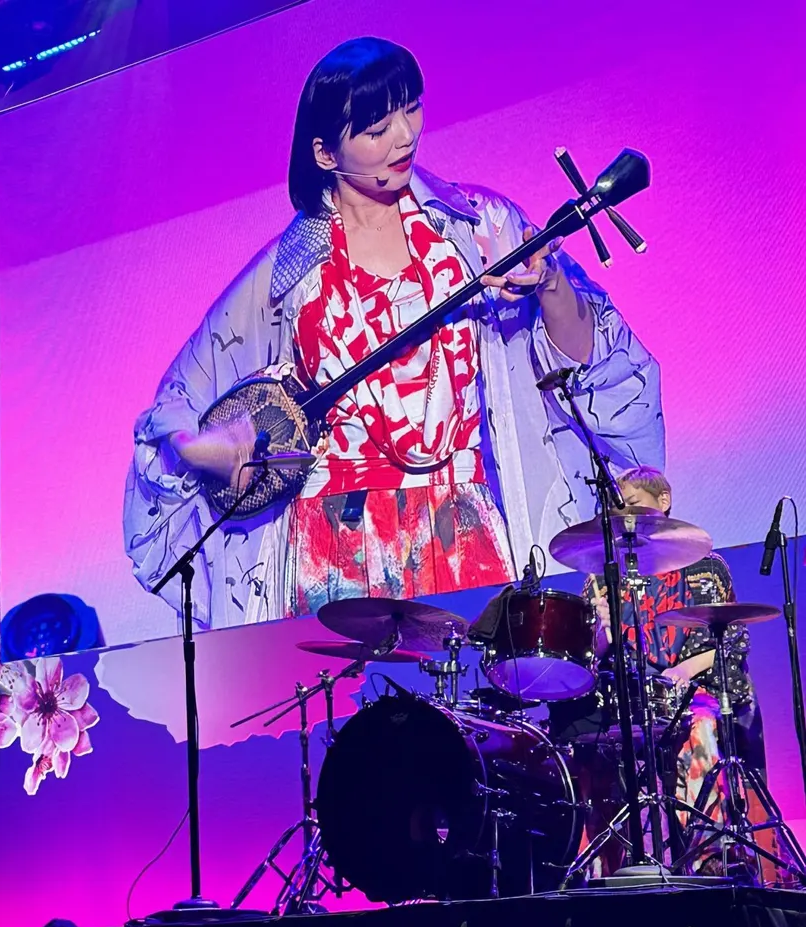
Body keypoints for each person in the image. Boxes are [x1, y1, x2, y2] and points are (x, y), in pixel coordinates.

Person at [123, 36, 663, 630]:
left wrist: (549, 281)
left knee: (474, 710)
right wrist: (203, 449)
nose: (406, 136)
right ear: (326, 154)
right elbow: (174, 405)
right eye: (378, 128)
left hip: (461, 526)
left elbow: (596, 357)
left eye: (413, 109)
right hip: (331, 544)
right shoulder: (286, 277)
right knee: (351, 717)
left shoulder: (477, 227)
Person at [568, 467, 784, 880]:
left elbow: (732, 639)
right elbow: (597, 655)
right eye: (619, 513)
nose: (627, 520)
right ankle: (603, 869)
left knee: (697, 730)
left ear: (663, 501)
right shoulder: (604, 578)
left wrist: (684, 670)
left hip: (698, 691)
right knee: (587, 742)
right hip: (634, 699)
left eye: (634, 506)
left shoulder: (705, 566)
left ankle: (709, 861)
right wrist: (599, 629)